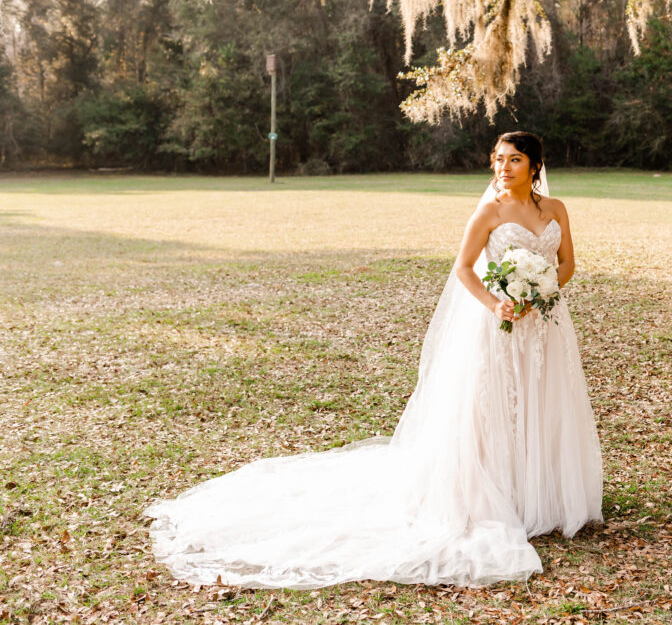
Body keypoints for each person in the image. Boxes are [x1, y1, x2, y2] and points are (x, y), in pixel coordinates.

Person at [144, 131, 603, 588]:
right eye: (499, 159)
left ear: (535, 166)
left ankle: (539, 494)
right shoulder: (489, 212)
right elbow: (463, 268)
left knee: (543, 398)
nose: (504, 168)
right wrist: (497, 303)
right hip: (499, 324)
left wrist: (542, 288)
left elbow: (567, 263)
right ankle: (498, 495)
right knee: (495, 406)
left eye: (515, 160)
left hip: (545, 323)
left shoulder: (556, 210)